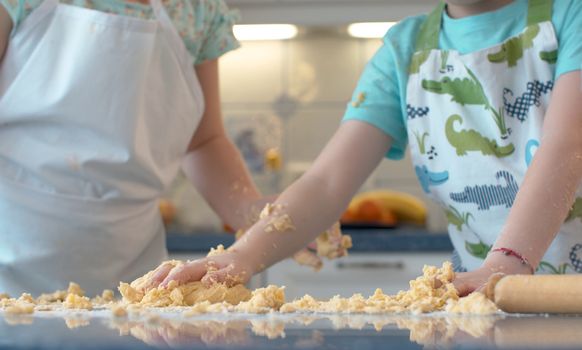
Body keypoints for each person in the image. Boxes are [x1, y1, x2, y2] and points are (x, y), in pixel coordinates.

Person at [153, 0, 582, 296]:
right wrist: (240, 258)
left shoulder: (571, 16)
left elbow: (566, 147)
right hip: (490, 302)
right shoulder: (405, 50)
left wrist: (506, 262)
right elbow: (325, 182)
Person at [0, 0, 273, 296]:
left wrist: (255, 213)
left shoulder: (196, 11)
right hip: (12, 259)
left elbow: (203, 141)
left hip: (136, 272)